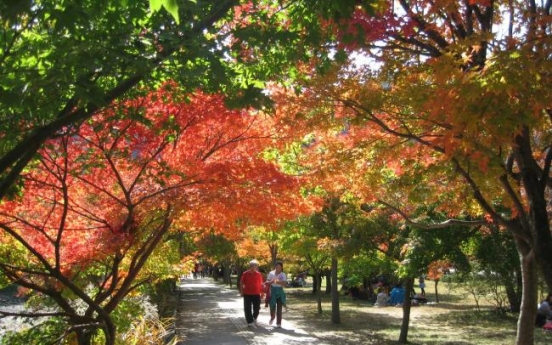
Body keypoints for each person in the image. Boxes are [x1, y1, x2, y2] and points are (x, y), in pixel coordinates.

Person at [240, 259, 264, 327]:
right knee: (247, 308)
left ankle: (254, 318)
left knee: (257, 308)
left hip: (256, 294)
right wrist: (242, 291)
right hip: (247, 294)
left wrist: (262, 293)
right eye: (252, 266)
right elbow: (241, 283)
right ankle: (250, 321)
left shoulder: (258, 274)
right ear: (249, 266)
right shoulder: (245, 274)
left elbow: (261, 284)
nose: (253, 267)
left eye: (255, 266)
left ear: (256, 267)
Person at [266, 261, 287, 328]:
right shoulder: (271, 273)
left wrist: (278, 282)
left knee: (279, 308)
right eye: (277, 267)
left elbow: (284, 284)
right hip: (272, 291)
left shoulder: (283, 274)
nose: (278, 268)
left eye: (280, 267)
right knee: (272, 306)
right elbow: (267, 282)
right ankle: (272, 317)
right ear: (275, 267)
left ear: (281, 268)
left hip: (280, 292)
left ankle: (279, 323)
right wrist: (272, 281)